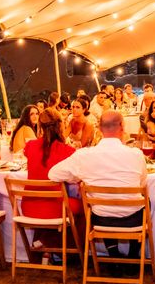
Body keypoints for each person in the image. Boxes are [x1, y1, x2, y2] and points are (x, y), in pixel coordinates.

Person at [49, 111, 147, 271]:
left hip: (101, 219)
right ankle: (132, 257)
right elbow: (142, 184)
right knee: (145, 202)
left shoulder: (84, 156)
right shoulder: (136, 155)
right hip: (133, 219)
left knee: (100, 206)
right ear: (122, 127)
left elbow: (53, 174)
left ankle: (113, 254)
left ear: (99, 128)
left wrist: (77, 178)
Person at [23, 108, 81, 221]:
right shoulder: (68, 151)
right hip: (56, 208)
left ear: (41, 126)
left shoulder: (30, 146)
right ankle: (62, 239)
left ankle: (43, 238)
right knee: (84, 204)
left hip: (29, 208)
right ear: (60, 126)